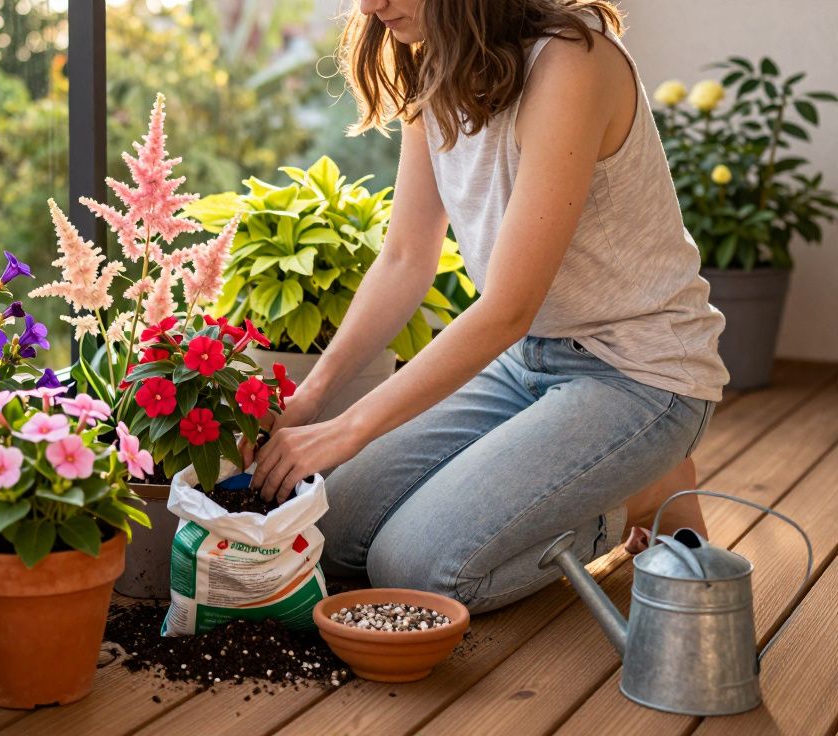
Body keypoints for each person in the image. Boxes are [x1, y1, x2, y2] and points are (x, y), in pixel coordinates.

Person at [243, 0, 727, 614]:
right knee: (330, 533)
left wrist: (345, 431)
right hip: (526, 364)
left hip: (639, 376)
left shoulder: (571, 64)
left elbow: (507, 308)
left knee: (419, 570)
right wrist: (310, 401)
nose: (369, 6)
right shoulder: (435, 65)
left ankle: (640, 492)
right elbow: (404, 259)